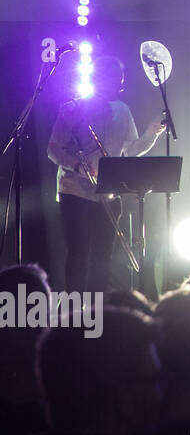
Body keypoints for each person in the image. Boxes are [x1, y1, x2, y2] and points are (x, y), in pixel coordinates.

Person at [46, 57, 165, 291]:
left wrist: (151, 134)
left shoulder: (122, 110)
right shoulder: (72, 109)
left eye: (119, 80)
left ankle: (98, 311)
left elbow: (130, 150)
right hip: (76, 192)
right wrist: (78, 166)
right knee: (79, 252)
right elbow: (53, 148)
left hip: (108, 194)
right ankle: (74, 311)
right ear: (97, 78)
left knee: (102, 258)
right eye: (111, 79)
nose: (117, 84)